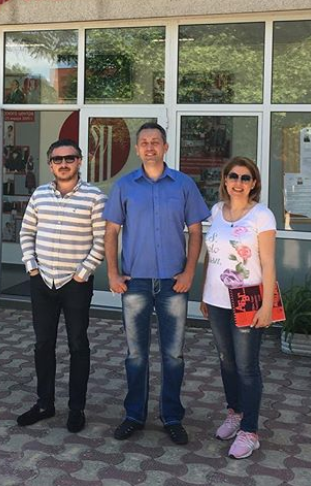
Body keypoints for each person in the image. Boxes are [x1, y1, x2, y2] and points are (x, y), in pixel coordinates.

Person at [103, 122, 209, 445]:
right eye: (144, 143)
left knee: (173, 355)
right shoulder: (124, 186)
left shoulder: (184, 184)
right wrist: (112, 273)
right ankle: (134, 415)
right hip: (135, 281)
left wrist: (190, 272)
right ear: (137, 150)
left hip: (173, 282)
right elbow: (111, 232)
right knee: (136, 355)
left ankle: (172, 416)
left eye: (156, 142)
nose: (150, 147)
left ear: (165, 147)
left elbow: (196, 232)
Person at [18, 138, 107, 433]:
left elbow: (102, 240)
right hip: (42, 281)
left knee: (78, 344)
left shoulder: (95, 197)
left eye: (70, 158)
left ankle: (76, 408)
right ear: (50, 164)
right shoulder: (40, 194)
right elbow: (26, 232)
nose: (64, 164)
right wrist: (31, 266)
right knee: (43, 344)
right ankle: (45, 403)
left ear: (80, 161)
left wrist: (83, 272)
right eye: (58, 159)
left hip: (75, 284)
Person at [200, 156, 276, 459]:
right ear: (225, 180)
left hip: (247, 300)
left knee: (246, 367)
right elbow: (210, 255)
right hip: (216, 299)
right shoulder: (216, 211)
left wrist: (267, 306)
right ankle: (235, 413)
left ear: (254, 183)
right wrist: (203, 294)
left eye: (245, 178)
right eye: (233, 176)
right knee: (226, 362)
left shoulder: (262, 216)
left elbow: (268, 262)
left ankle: (250, 431)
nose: (239, 183)